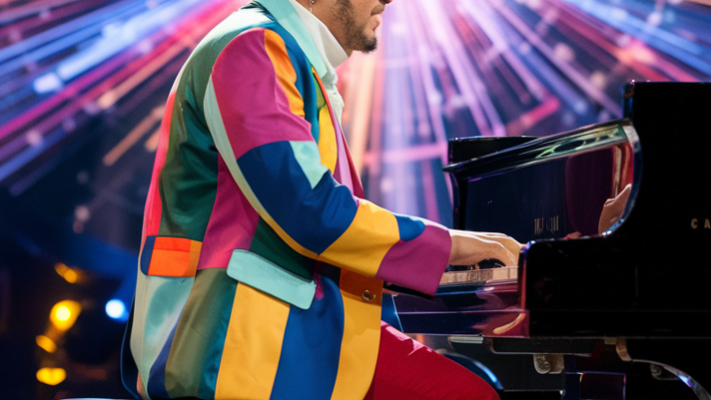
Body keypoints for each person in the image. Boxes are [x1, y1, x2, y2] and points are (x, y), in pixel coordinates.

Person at [121, 0, 522, 399]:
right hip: (234, 336)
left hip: (278, 319)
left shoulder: (279, 51)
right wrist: (450, 246)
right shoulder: (254, 46)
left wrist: (449, 275)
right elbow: (308, 209)